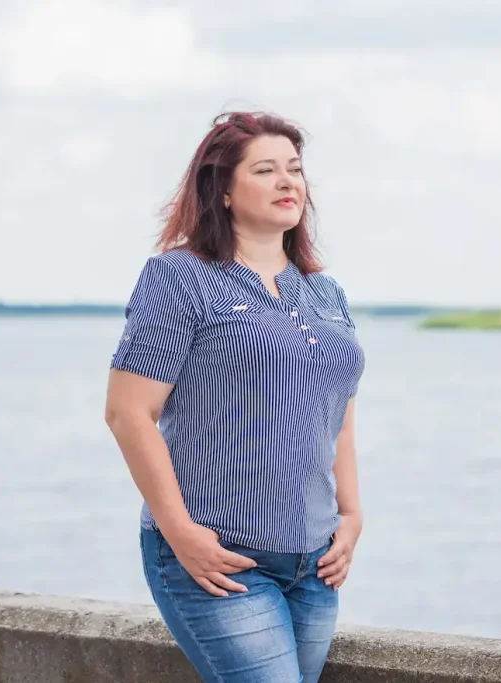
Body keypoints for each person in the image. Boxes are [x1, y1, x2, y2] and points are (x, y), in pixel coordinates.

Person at [104, 111, 366, 682]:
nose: (288, 182)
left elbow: (337, 416)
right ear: (222, 189)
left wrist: (351, 513)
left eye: (295, 170)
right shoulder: (179, 278)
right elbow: (128, 413)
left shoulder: (325, 294)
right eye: (266, 170)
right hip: (219, 558)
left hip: (315, 568)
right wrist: (179, 530)